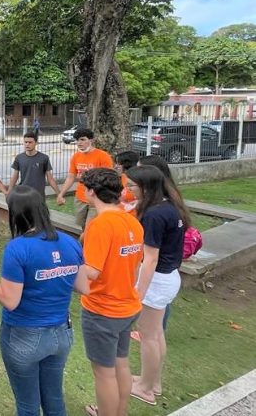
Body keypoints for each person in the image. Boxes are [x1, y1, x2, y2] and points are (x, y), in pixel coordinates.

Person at [0, 185, 86, 416]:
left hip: (25, 335)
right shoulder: (70, 242)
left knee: (27, 406)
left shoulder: (18, 248)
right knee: (54, 399)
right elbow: (83, 287)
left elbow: (10, 300)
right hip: (61, 335)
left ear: (17, 214)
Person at [76, 168, 144, 416]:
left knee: (103, 373)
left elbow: (91, 272)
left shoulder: (100, 224)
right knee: (120, 365)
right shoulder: (132, 221)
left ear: (91, 192)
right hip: (127, 306)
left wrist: (63, 270)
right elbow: (135, 264)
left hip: (103, 310)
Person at [126, 165, 190, 406]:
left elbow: (150, 257)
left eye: (132, 186)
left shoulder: (154, 215)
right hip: (168, 276)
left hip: (157, 280)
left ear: (146, 187)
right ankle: (153, 381)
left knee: (148, 336)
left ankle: (145, 388)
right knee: (156, 334)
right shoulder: (170, 206)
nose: (128, 190)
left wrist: (138, 292)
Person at [56, 129, 113, 230]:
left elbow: (109, 178)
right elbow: (70, 177)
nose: (79, 143)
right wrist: (61, 194)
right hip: (80, 198)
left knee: (90, 228)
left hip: (96, 198)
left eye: (82, 139)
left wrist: (87, 178)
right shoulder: (76, 156)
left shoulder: (103, 156)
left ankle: (86, 245)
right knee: (82, 226)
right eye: (77, 140)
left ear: (91, 140)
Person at [9, 131, 60, 197]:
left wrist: (59, 194)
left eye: (30, 142)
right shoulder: (19, 158)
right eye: (25, 142)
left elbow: (50, 179)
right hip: (23, 194)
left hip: (39, 195)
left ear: (36, 143)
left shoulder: (44, 158)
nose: (27, 144)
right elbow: (14, 177)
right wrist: (9, 192)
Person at [114, 151, 140, 215]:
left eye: (118, 164)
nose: (115, 166)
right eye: (116, 163)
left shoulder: (137, 178)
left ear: (127, 164)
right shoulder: (123, 176)